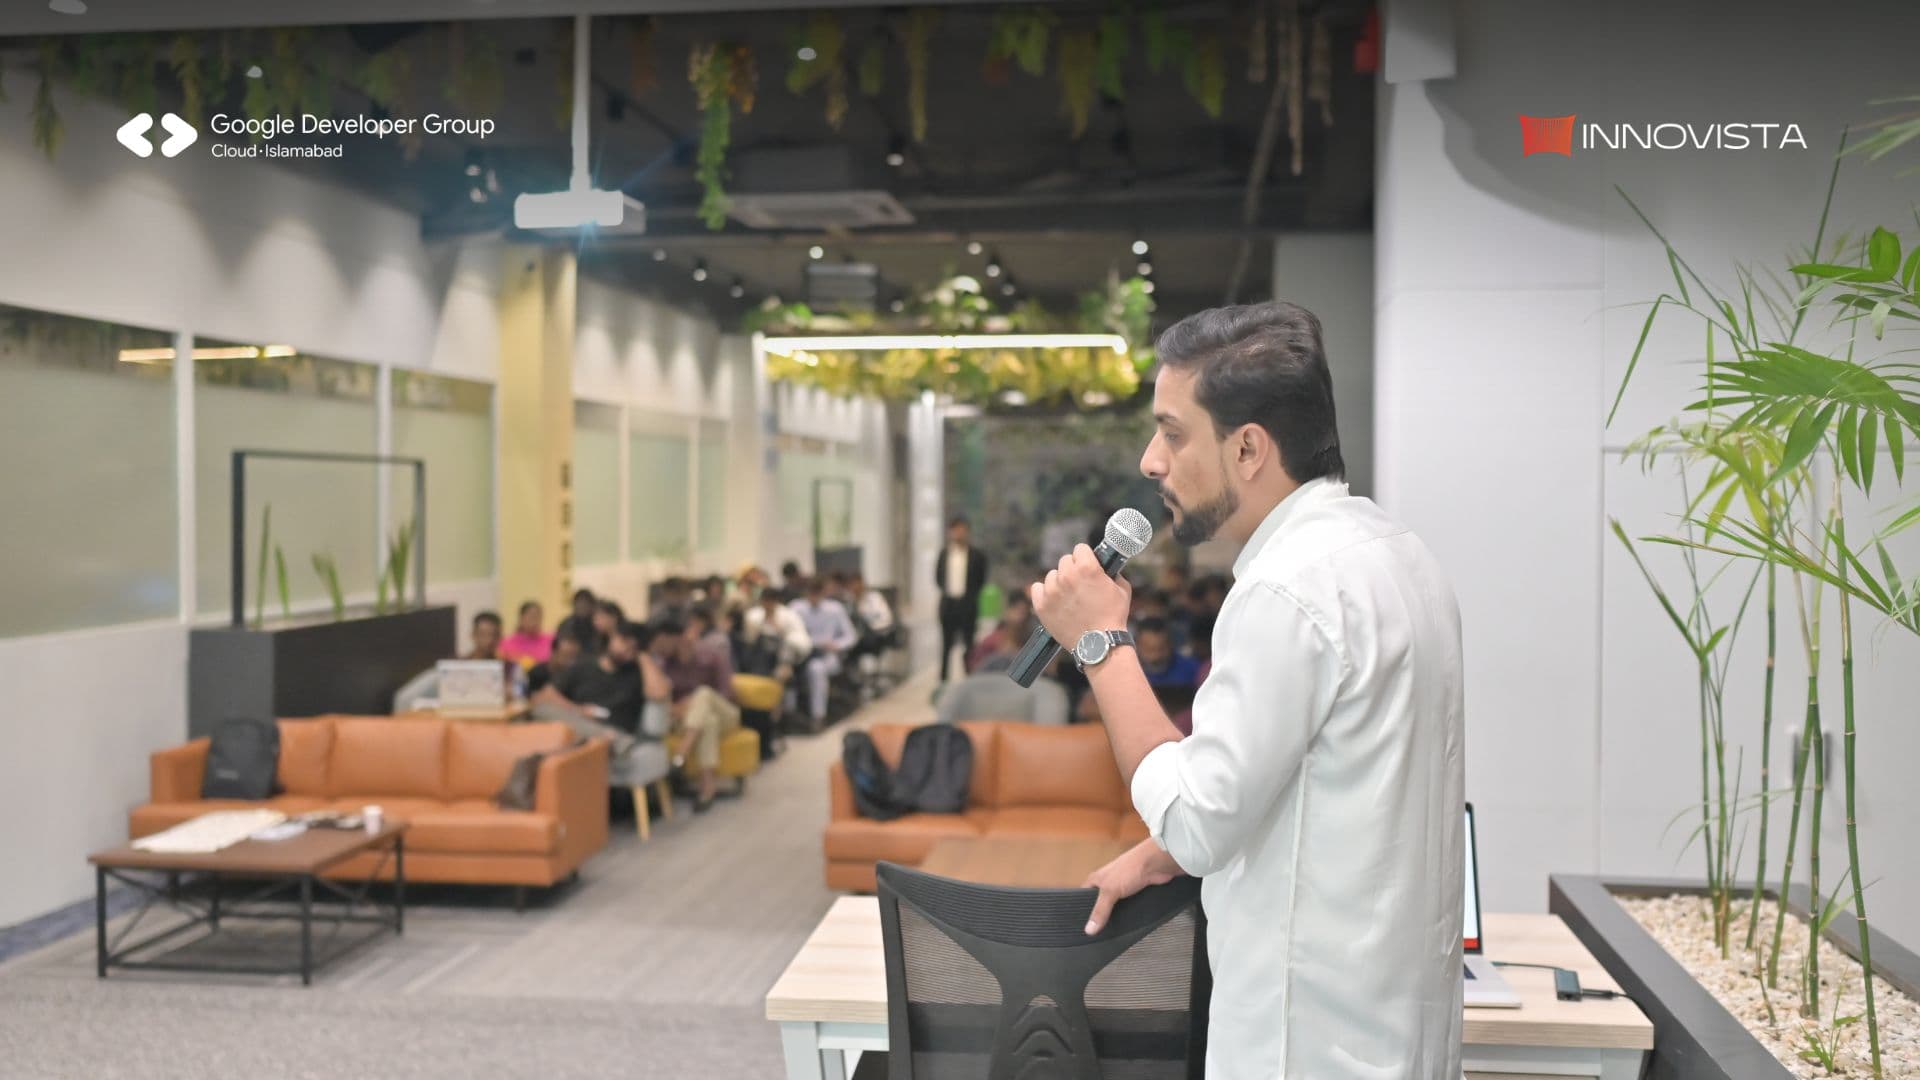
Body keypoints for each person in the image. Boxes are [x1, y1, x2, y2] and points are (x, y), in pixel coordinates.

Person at [1030, 301, 1465, 1078]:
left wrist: (1101, 645)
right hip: (1391, 1031)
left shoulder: (1285, 591)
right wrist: (1169, 851)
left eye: (1171, 431)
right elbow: (1334, 777)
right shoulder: (1397, 556)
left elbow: (1201, 821)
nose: (1150, 461)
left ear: (1249, 449)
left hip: (1305, 1044)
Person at [647, 615, 742, 811]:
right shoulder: (664, 665)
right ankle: (707, 789)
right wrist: (679, 707)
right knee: (708, 722)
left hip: (725, 712)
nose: (658, 649)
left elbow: (727, 693)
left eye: (660, 643)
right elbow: (665, 702)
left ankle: (682, 752)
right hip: (691, 719)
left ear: (676, 638)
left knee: (704, 694)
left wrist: (693, 701)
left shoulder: (712, 655)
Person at [532, 619, 669, 749]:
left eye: (633, 648)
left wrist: (643, 656)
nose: (625, 650)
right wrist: (578, 710)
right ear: (613, 637)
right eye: (623, 641)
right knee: (542, 710)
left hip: (614, 732)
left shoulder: (637, 673)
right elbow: (546, 695)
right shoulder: (583, 666)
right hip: (581, 729)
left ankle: (611, 741)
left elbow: (660, 694)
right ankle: (607, 739)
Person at [789, 577, 857, 729]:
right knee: (786, 670)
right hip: (801, 653)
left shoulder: (835, 609)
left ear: (823, 593)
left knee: (816, 669)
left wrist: (836, 645)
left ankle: (818, 716)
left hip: (827, 655)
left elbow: (850, 636)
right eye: (811, 593)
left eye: (817, 593)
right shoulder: (796, 608)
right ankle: (790, 713)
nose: (813, 597)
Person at [933, 514, 988, 681]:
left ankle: (970, 677)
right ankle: (943, 679)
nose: (959, 533)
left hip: (968, 604)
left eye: (962, 530)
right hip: (948, 604)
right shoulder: (944, 553)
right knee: (946, 644)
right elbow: (938, 577)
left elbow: (981, 579)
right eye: (956, 530)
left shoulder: (977, 555)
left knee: (969, 644)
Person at [740, 587, 812, 678]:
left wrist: (779, 629)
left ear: (776, 601)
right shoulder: (753, 615)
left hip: (784, 651)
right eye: (766, 600)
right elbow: (749, 638)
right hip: (759, 650)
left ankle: (784, 669)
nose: (768, 604)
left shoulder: (788, 615)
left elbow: (800, 639)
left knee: (788, 647)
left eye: (771, 600)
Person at [965, 589, 1035, 673]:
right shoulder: (991, 642)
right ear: (1007, 611)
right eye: (1019, 612)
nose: (1021, 618)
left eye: (1025, 613)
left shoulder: (1031, 644)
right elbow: (975, 670)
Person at [1132, 617, 1199, 689]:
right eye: (1149, 650)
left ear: (1171, 644)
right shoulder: (1127, 671)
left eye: (1161, 649)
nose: (1156, 656)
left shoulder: (1192, 669)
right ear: (1137, 645)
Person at [500, 601, 553, 666]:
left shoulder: (550, 640)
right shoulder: (507, 642)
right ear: (521, 618)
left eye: (538, 617)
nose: (534, 621)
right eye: (531, 617)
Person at [555, 588, 605, 655]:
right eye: (579, 602)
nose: (582, 606)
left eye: (586, 603)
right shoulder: (566, 624)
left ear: (592, 605)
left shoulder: (598, 624)